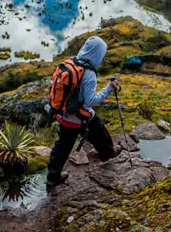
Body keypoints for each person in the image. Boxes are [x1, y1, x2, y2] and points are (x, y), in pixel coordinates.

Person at [46, 36, 120, 187]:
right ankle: (107, 154)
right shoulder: (89, 74)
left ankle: (52, 177)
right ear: (97, 53)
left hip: (64, 113)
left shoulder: (71, 62)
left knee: (62, 146)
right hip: (79, 117)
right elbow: (90, 102)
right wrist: (109, 89)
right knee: (98, 129)